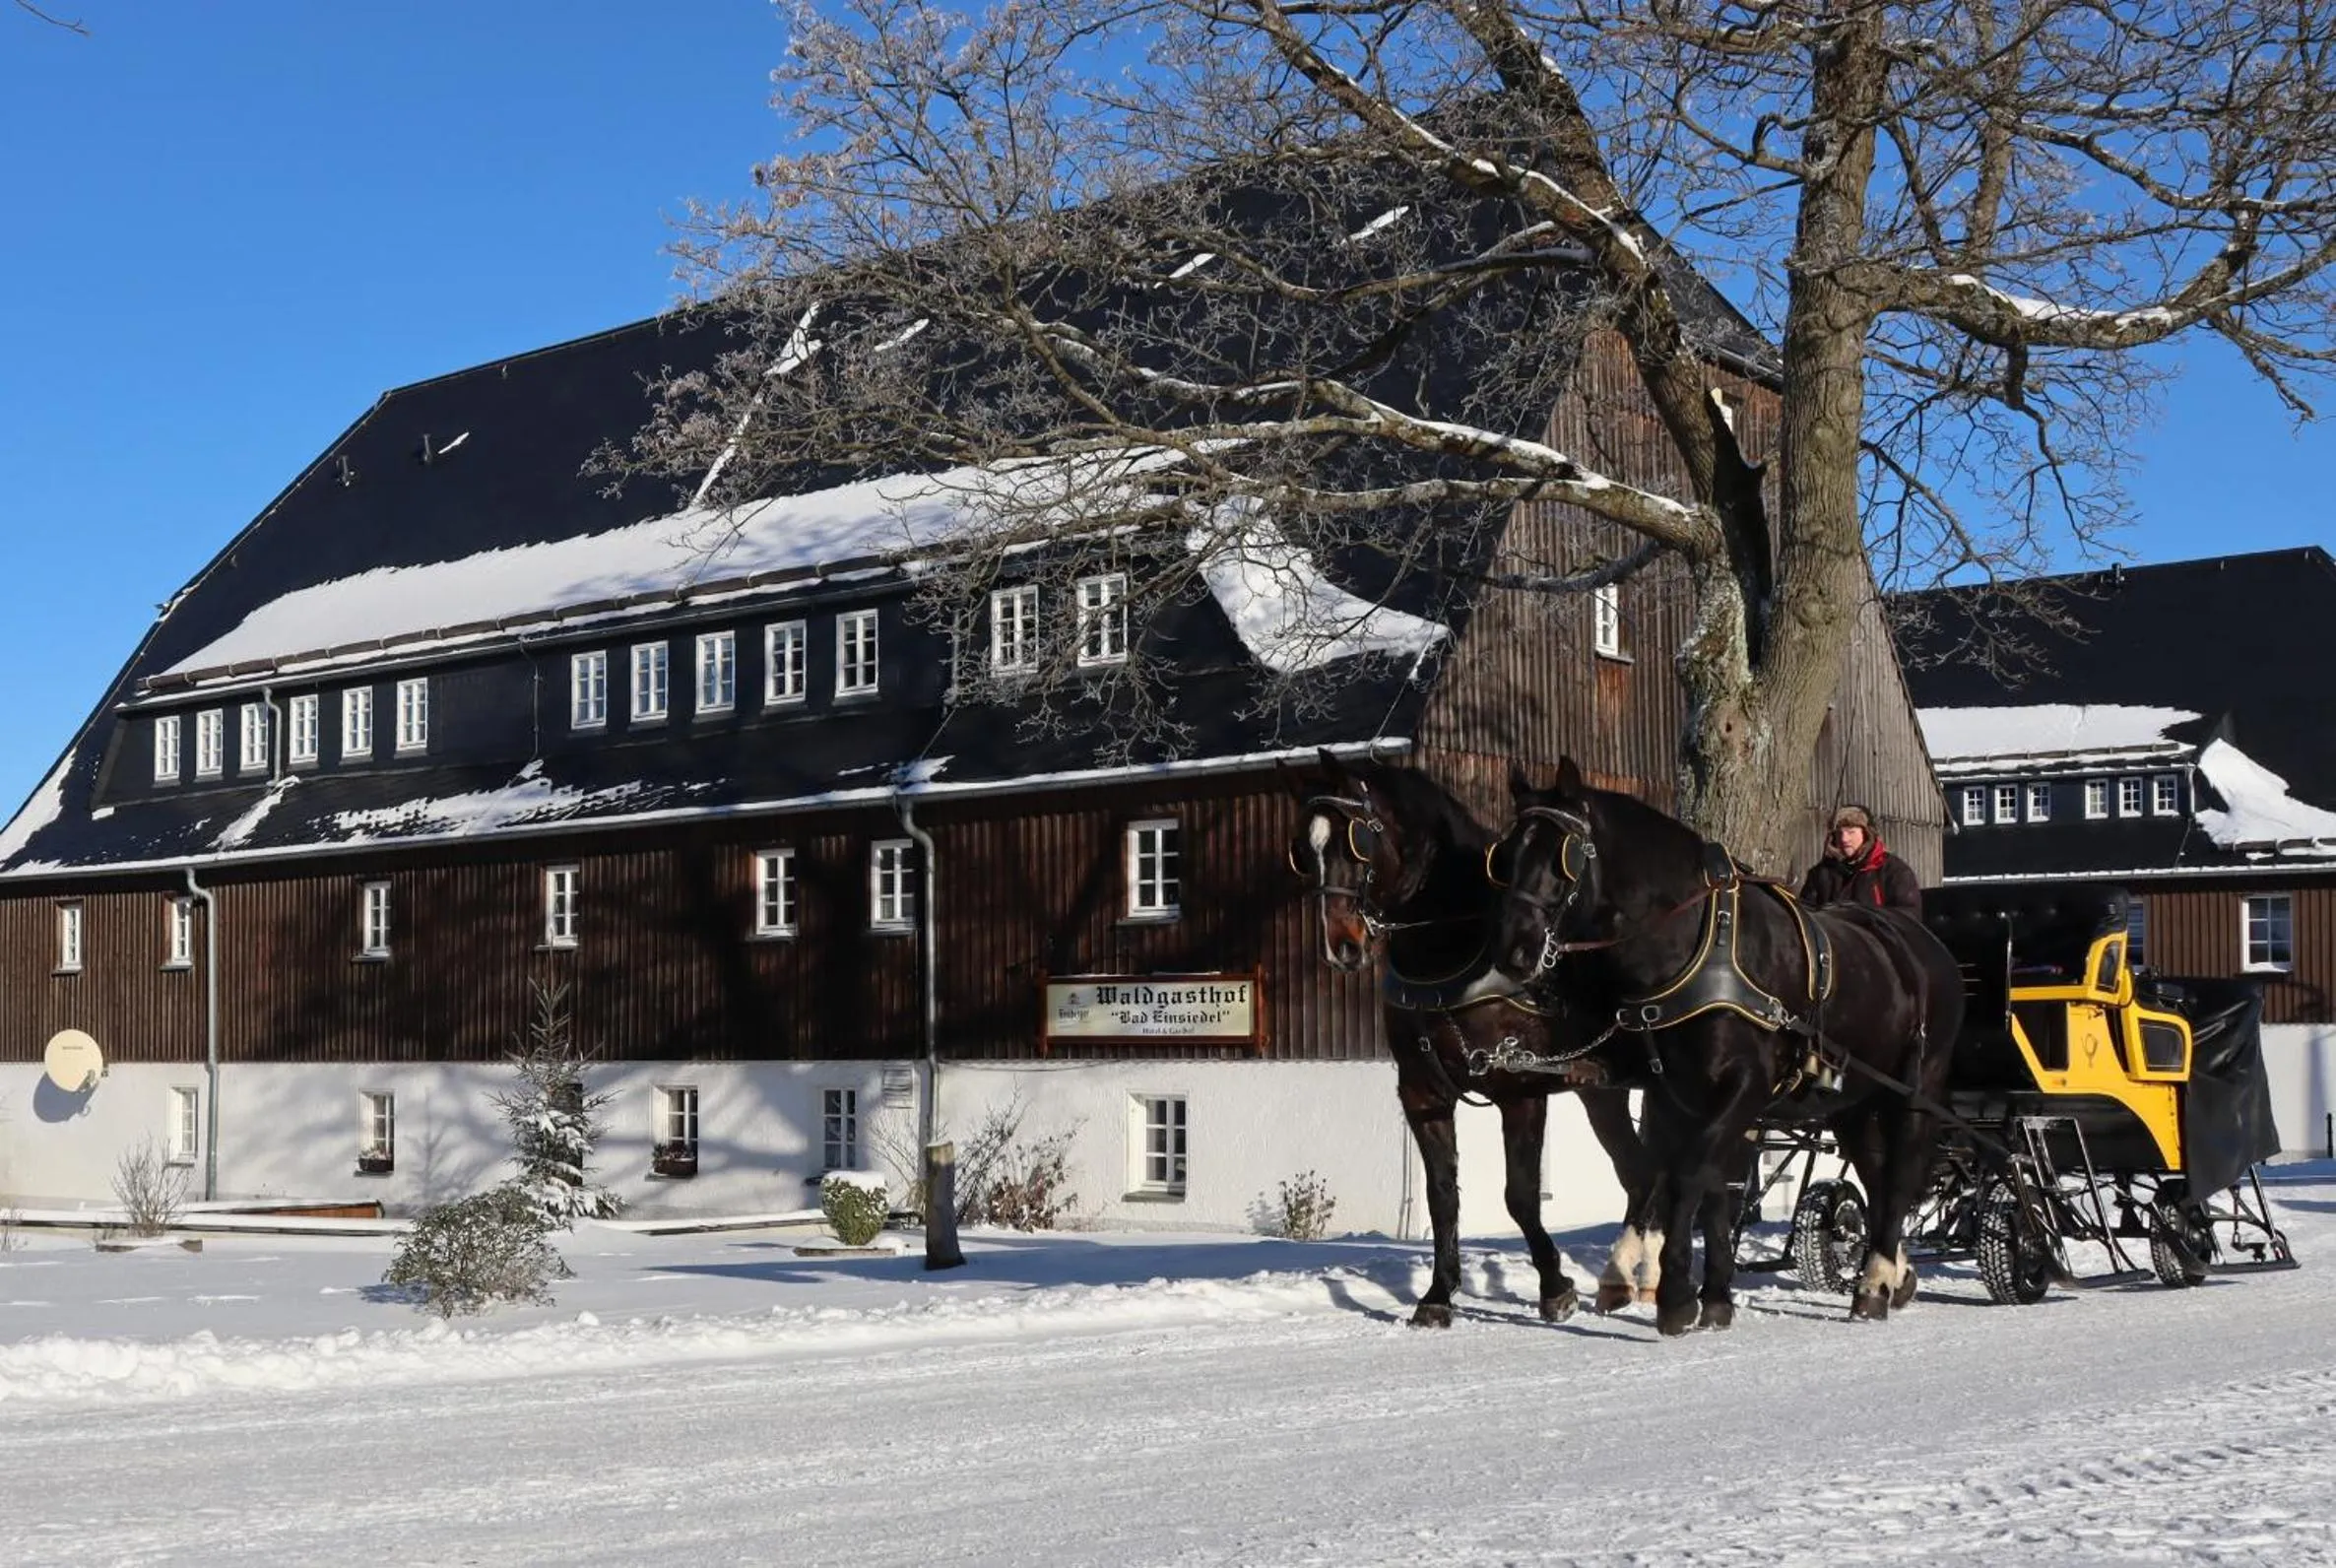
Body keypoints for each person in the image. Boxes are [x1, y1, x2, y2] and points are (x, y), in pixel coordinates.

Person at [1799, 804, 1922, 914]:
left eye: (1851, 832)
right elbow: (1806, 915)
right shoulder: (1820, 874)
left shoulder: (1893, 871)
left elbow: (1908, 917)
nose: (1844, 839)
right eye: (1839, 833)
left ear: (1866, 834)